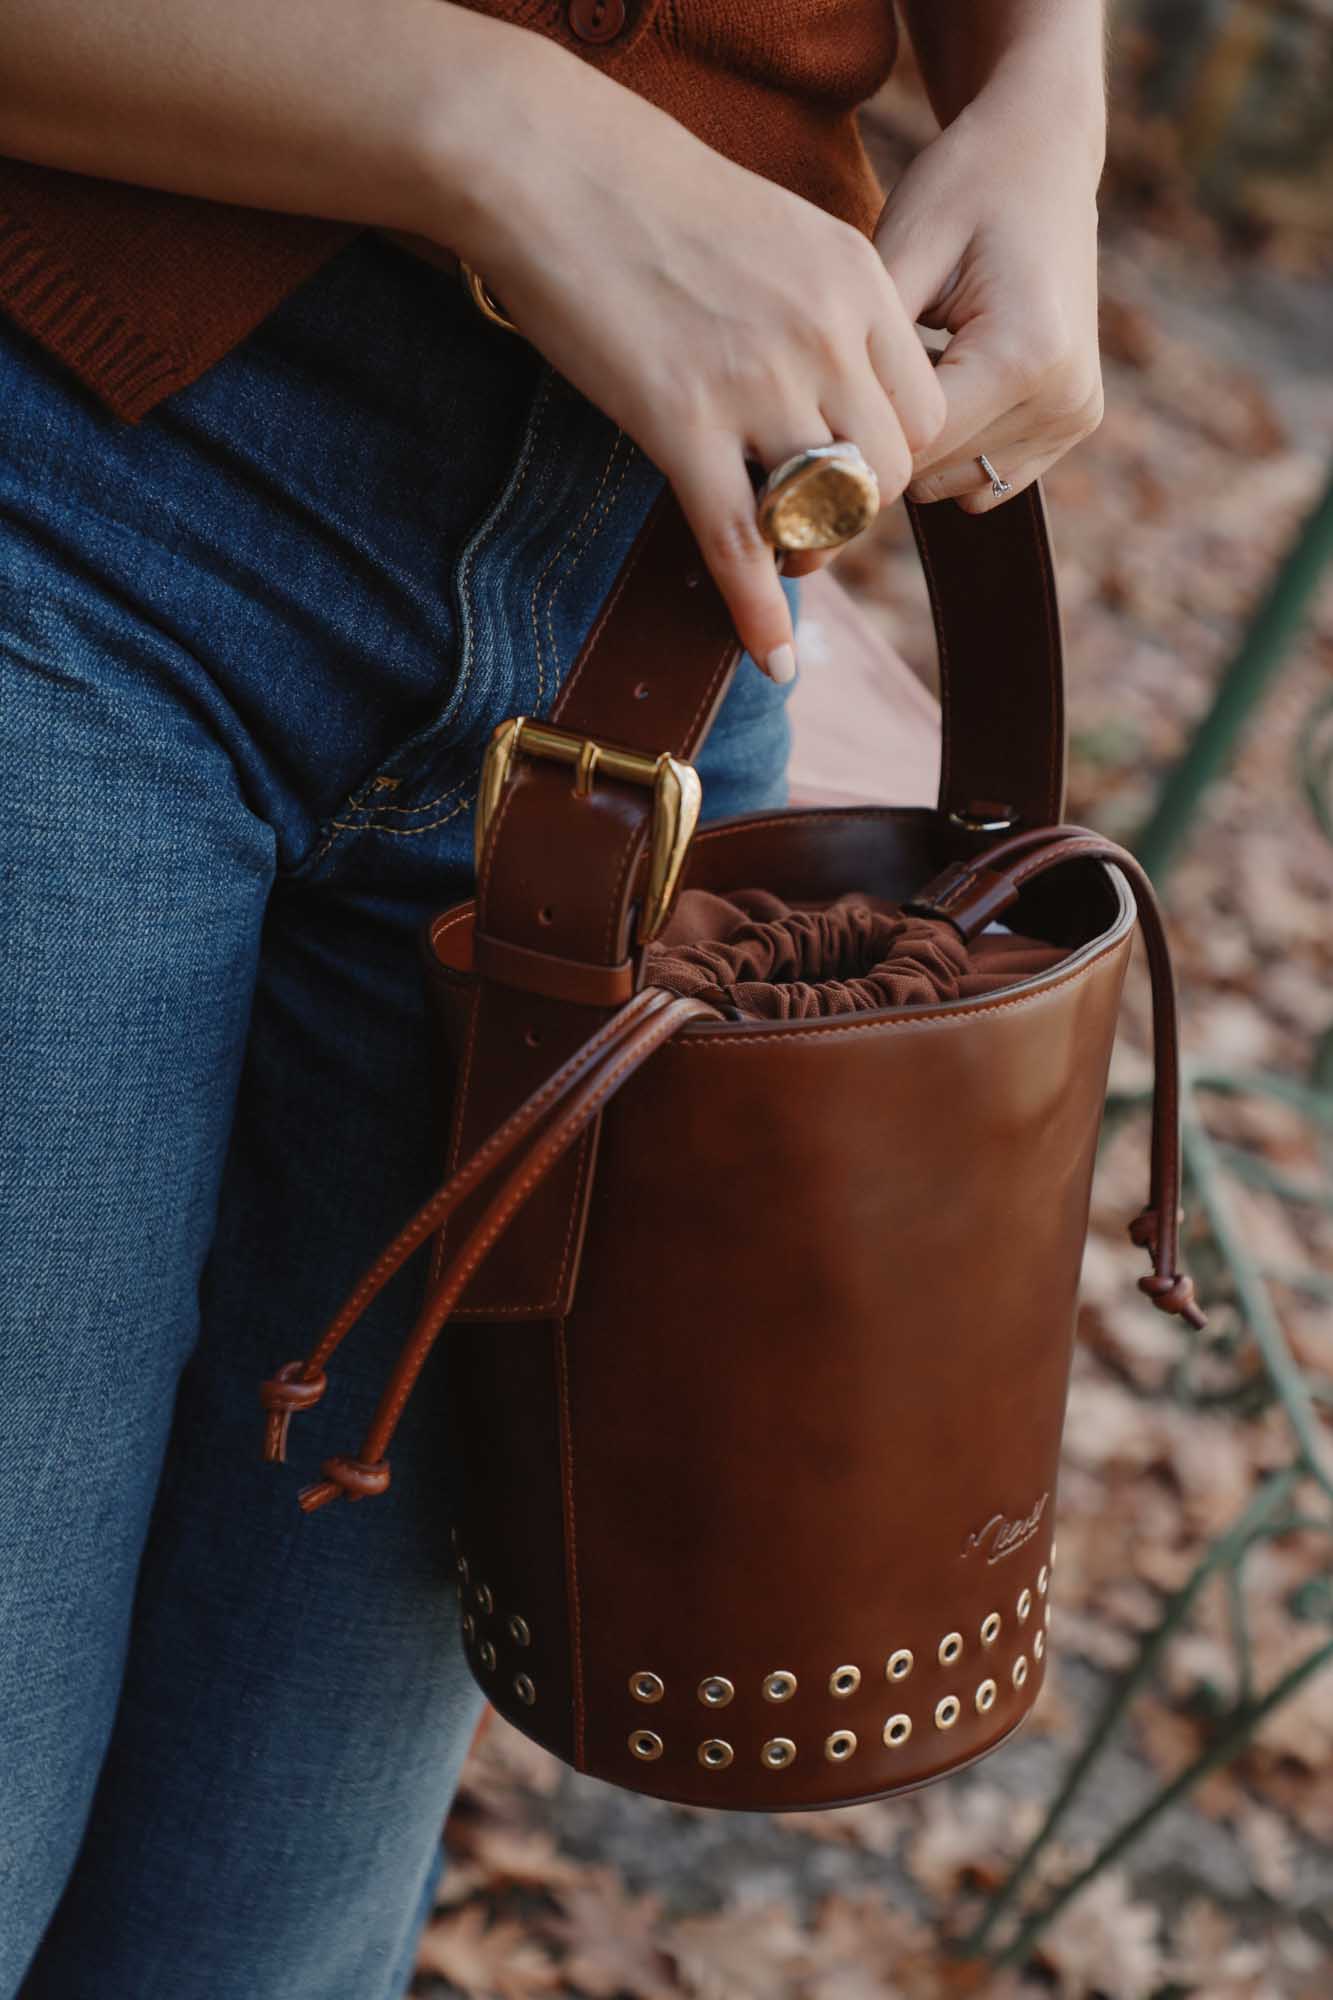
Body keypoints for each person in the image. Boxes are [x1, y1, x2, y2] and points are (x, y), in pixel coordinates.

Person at [0, 2, 1108, 1991]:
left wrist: (1045, 97)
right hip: (76, 457)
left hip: (645, 648)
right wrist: (491, 123)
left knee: (259, 1925)